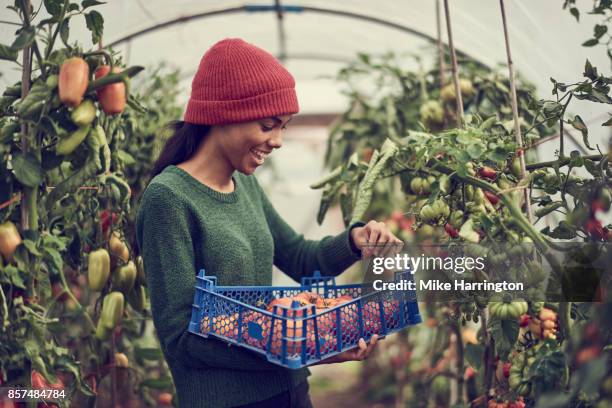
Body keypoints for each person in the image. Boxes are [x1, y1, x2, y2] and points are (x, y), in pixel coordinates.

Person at [135, 38, 402, 408]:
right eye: (267, 125)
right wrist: (304, 348)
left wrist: (355, 241)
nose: (277, 141)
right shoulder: (169, 199)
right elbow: (182, 337)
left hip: (291, 391)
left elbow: (299, 256)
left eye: (284, 127)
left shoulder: (244, 183)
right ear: (223, 115)